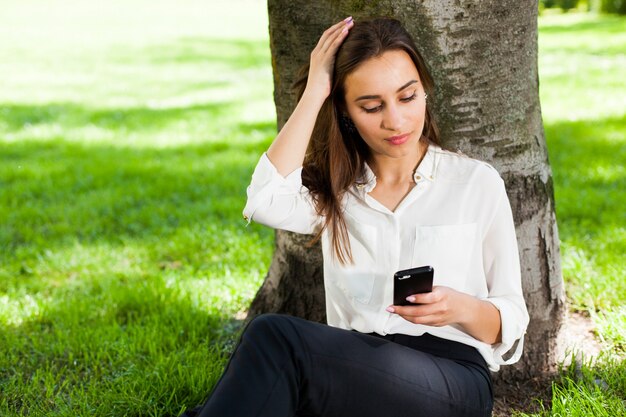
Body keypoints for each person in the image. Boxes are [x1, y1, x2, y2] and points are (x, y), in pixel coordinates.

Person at [192, 16, 529, 417]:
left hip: (450, 379)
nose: (395, 121)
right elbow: (264, 201)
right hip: (353, 367)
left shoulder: (475, 182)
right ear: (347, 112)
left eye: (408, 97)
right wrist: (316, 90)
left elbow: (509, 319)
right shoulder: (336, 192)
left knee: (274, 338)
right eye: (371, 106)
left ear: (425, 91)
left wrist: (458, 308)